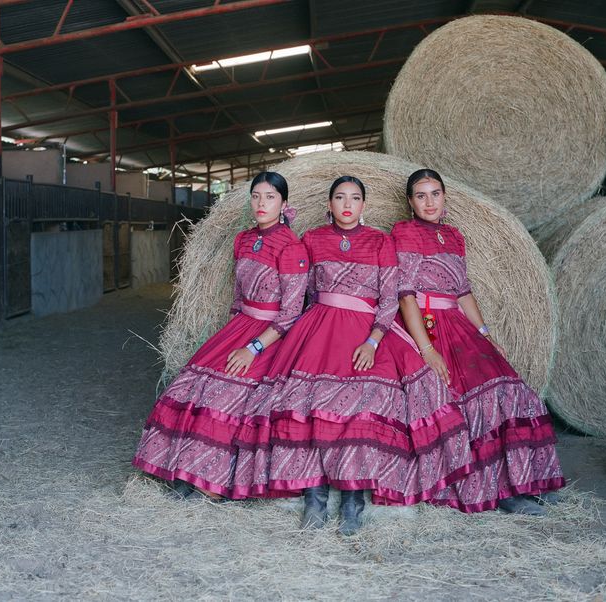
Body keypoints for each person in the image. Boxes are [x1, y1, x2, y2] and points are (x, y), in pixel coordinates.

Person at [237, 176, 472, 534]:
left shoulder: (381, 241)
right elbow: (303, 293)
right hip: (318, 329)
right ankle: (314, 497)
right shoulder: (311, 239)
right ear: (328, 205)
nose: (347, 204)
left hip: (369, 332)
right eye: (340, 198)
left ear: (364, 205)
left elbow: (390, 299)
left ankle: (352, 500)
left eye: (355, 198)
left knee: (366, 406)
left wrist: (374, 340)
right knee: (309, 406)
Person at [391, 168, 565, 515]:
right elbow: (406, 295)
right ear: (410, 203)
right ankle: (498, 491)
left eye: (435, 194)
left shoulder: (455, 236)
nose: (429, 202)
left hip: (458, 323)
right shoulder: (405, 232)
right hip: (426, 324)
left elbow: (464, 291)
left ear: (444, 198)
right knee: (472, 400)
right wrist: (427, 348)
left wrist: (486, 334)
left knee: (512, 390)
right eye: (421, 195)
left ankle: (525, 479)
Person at [132, 171, 309, 500]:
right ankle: (183, 468)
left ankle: (213, 486)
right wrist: (230, 337)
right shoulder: (242, 240)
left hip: (273, 336)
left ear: (284, 204)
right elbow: (238, 299)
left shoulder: (293, 248)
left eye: (270, 197)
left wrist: (252, 348)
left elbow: (292, 312)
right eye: (256, 196)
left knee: (227, 396)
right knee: (191, 383)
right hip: (241, 326)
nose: (261, 203)